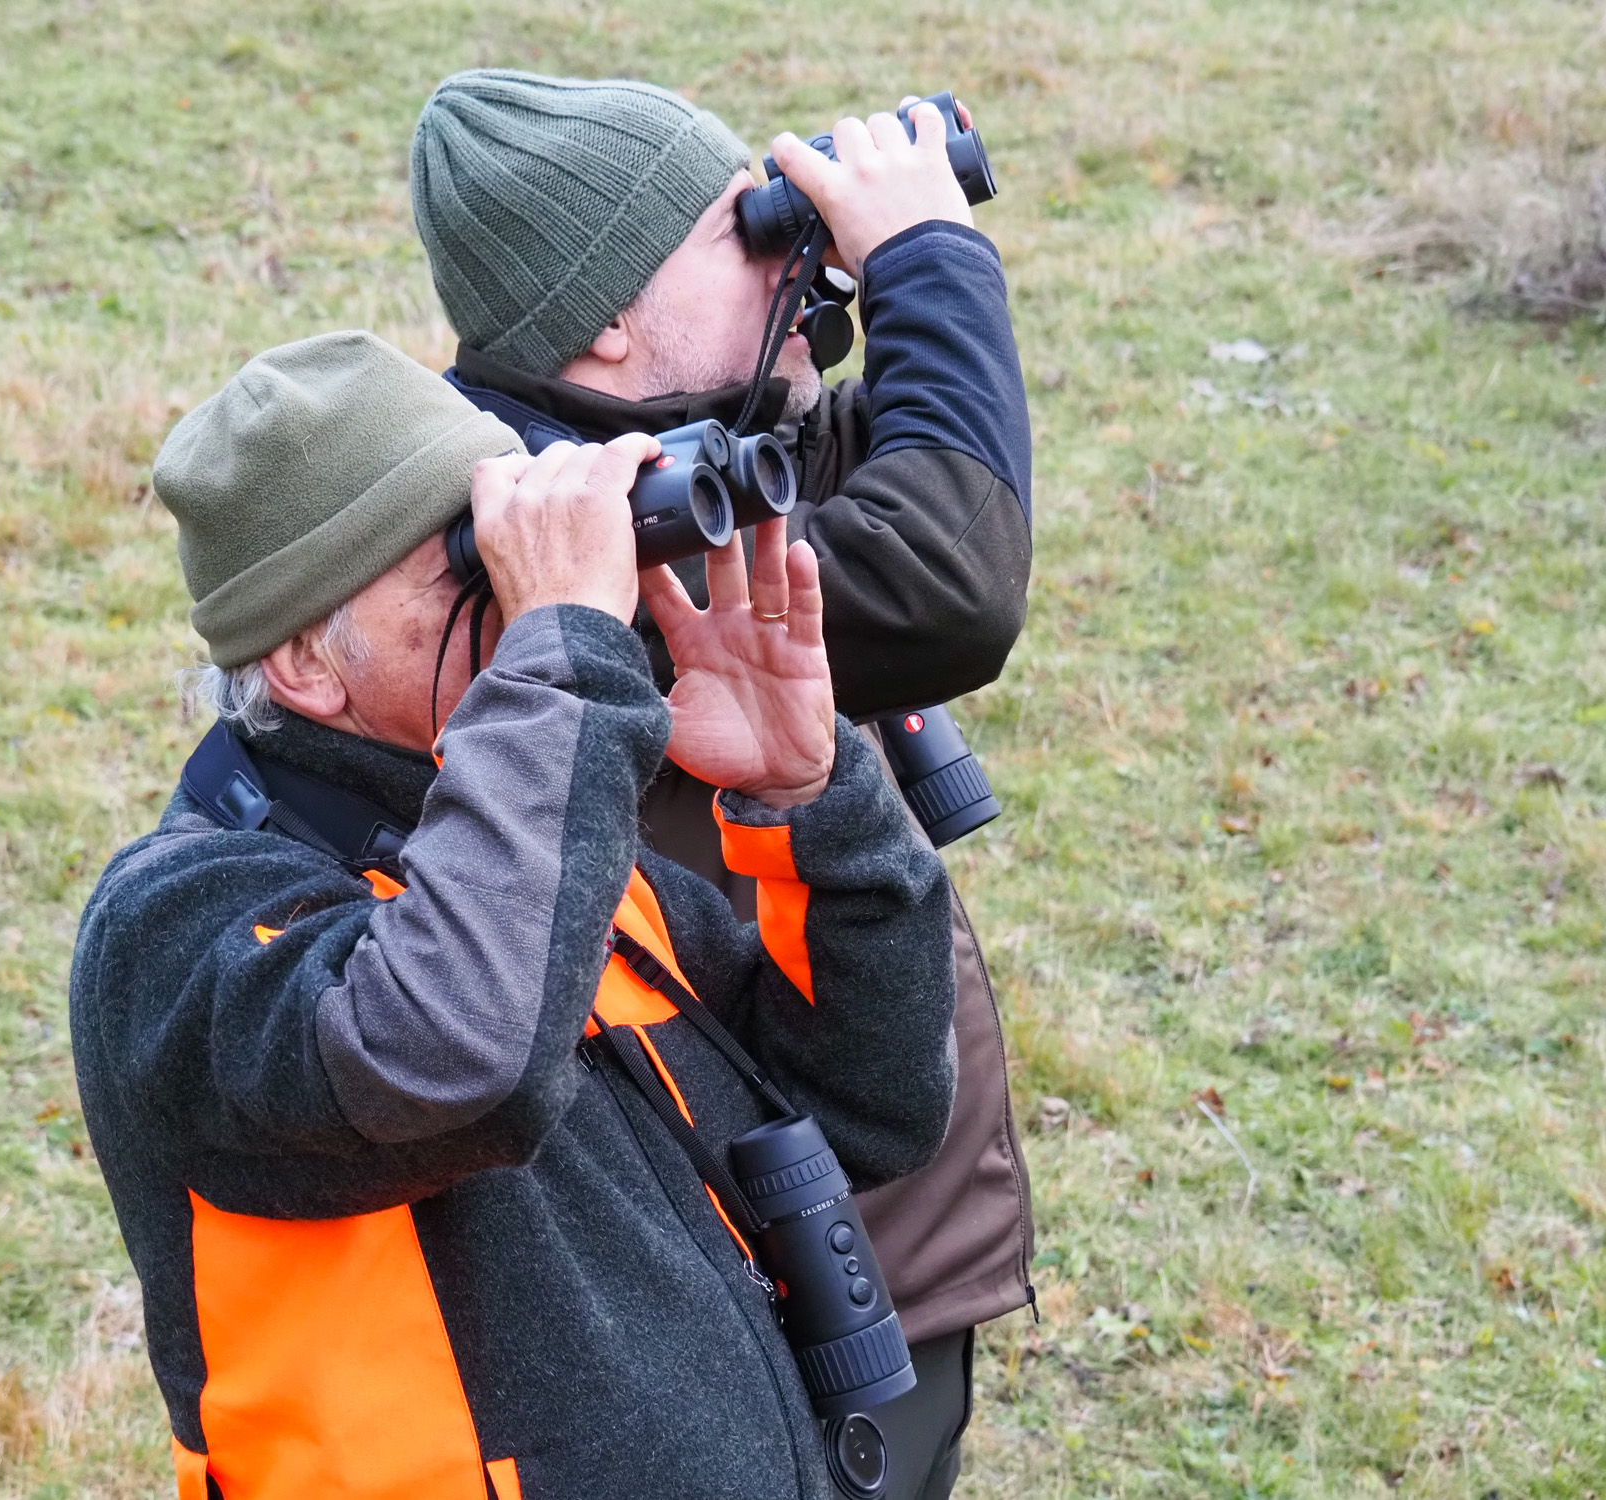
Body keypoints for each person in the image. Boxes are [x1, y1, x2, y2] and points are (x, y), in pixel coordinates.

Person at [71, 330, 959, 1500]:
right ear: (303, 664)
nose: (527, 594)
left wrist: (809, 800)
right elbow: (453, 1058)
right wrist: (567, 662)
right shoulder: (178, 924)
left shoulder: (558, 853)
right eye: (473, 566)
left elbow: (871, 1110)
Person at [409, 71, 1036, 1499]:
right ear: (608, 322)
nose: (788, 239)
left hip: (826, 1197)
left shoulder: (643, 438)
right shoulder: (570, 535)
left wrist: (846, 275)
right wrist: (930, 265)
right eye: (740, 231)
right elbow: (947, 577)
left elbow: (912, 450)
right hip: (768, 1250)